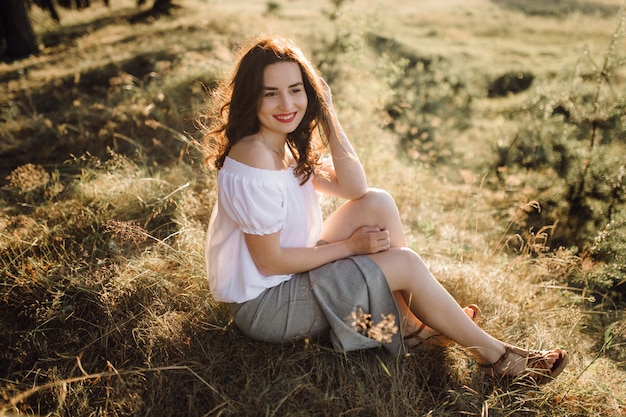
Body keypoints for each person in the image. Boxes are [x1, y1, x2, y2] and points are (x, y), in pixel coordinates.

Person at [202, 35, 568, 383]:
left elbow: (354, 189)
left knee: (377, 201)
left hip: (291, 275)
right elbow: (270, 262)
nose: (287, 104)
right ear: (252, 98)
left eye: (296, 90)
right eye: (271, 94)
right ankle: (497, 357)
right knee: (405, 263)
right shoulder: (253, 157)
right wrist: (350, 248)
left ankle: (408, 327)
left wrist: (327, 112)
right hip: (268, 306)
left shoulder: (283, 146)